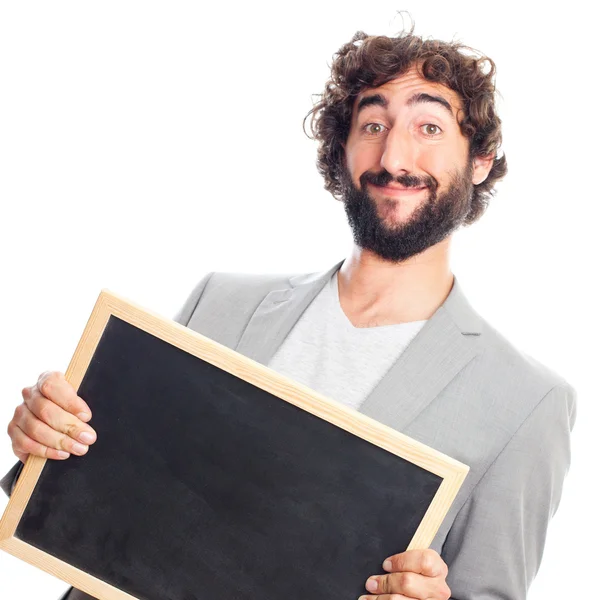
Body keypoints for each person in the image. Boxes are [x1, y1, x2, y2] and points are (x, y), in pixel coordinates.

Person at [2, 25, 577, 600]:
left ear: (480, 161)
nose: (394, 155)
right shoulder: (220, 302)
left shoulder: (526, 402)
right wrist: (49, 436)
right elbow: (113, 493)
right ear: (342, 150)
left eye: (429, 127)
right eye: (373, 126)